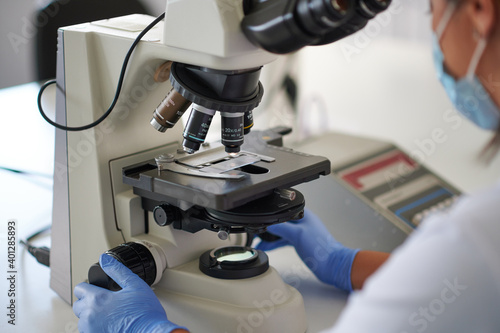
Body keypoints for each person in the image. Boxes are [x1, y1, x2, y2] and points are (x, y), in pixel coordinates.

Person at [72, 0, 500, 331]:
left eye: (433, 9)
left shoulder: (474, 242)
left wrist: (148, 329)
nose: (433, 27)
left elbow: (462, 271)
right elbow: (450, 287)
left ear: (480, 9)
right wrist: (345, 263)